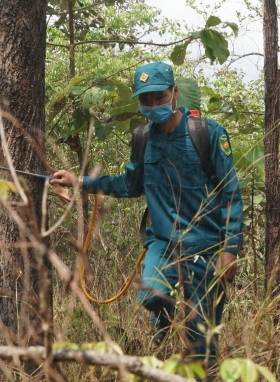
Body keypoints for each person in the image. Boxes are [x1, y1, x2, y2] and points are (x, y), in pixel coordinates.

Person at [50, 62, 244, 367]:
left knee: (202, 346)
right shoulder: (143, 139)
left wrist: (230, 250)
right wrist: (81, 182)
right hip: (163, 244)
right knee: (152, 297)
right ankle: (163, 321)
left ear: (174, 93)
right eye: (145, 100)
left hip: (206, 248)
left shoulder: (206, 133)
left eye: (159, 97)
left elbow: (231, 192)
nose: (153, 105)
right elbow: (129, 185)